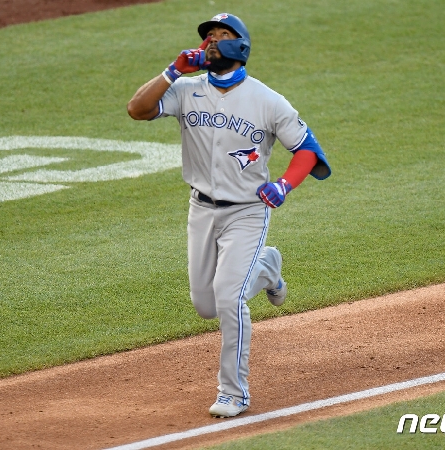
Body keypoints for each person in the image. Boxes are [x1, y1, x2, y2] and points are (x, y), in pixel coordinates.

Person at [127, 13, 331, 418]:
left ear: (243, 46)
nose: (213, 42)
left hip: (248, 212)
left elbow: (308, 150)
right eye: (209, 37)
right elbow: (137, 109)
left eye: (223, 35)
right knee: (205, 304)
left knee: (229, 299)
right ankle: (268, 267)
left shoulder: (267, 100)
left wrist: (285, 185)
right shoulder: (186, 90)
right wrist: (171, 71)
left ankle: (233, 392)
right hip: (200, 209)